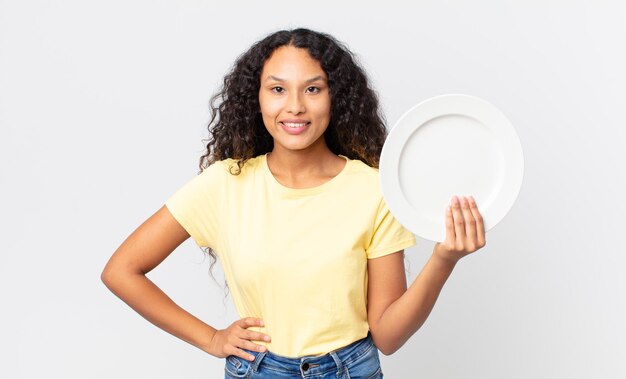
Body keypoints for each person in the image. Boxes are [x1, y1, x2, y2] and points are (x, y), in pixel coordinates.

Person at [101, 28, 486, 379]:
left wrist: (443, 260)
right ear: (257, 97)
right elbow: (122, 270)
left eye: (313, 89)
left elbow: (387, 335)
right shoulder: (224, 184)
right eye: (278, 89)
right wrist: (212, 339)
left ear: (336, 98)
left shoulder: (374, 190)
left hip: (350, 371)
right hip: (258, 371)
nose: (295, 106)